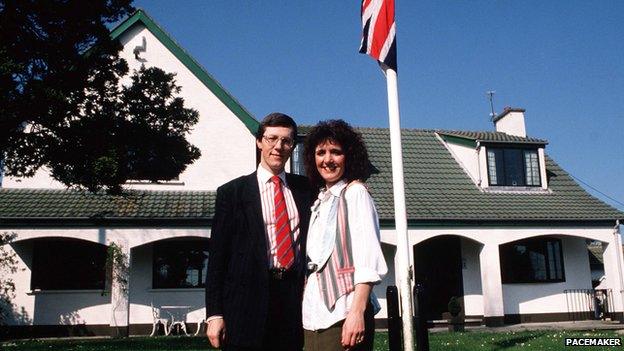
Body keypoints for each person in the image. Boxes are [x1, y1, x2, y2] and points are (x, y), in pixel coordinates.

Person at [205, 112, 313, 351]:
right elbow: (217, 258)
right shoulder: (232, 193)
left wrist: (355, 183)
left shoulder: (306, 190)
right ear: (259, 141)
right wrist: (214, 314)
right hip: (244, 304)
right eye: (272, 138)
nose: (278, 146)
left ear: (292, 145)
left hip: (291, 300)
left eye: (286, 141)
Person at [302, 119, 387, 351]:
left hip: (344, 314)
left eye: (335, 152)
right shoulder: (320, 200)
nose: (327, 159)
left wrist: (356, 313)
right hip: (314, 316)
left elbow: (367, 260)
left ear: (348, 156)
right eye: (321, 152)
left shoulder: (355, 193)